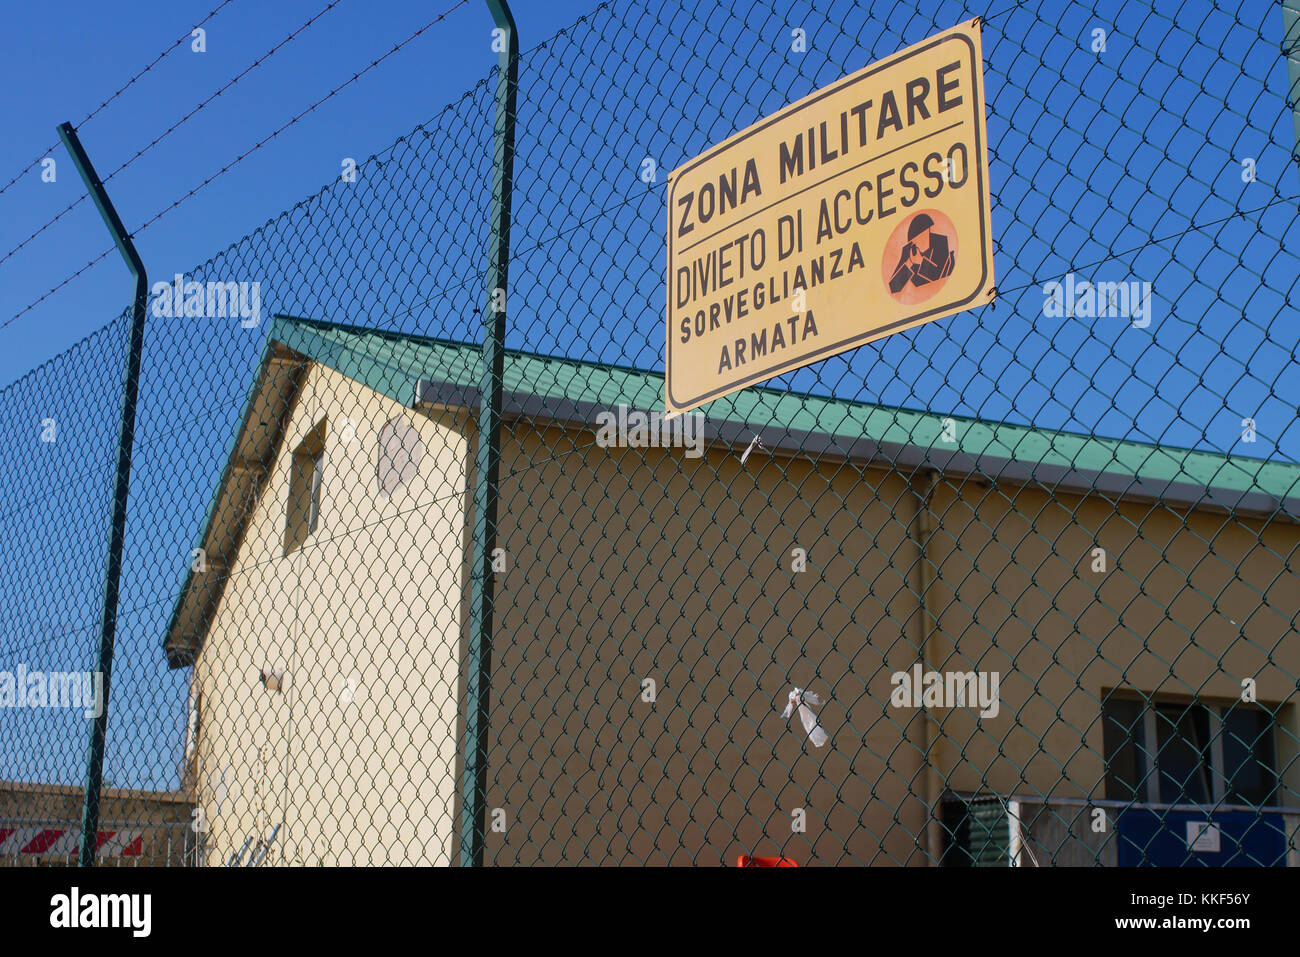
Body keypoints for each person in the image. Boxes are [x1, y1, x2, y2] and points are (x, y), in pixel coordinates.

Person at [888, 213, 955, 294]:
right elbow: (893, 287)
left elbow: (941, 277)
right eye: (915, 239)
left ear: (929, 231)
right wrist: (909, 264)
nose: (919, 241)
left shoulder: (940, 242)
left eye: (923, 236)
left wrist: (921, 262)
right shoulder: (909, 250)